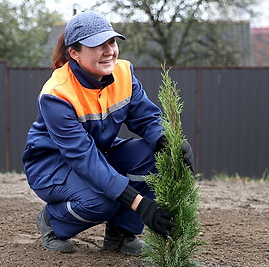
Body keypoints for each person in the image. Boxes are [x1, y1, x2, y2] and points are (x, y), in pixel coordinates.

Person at [22, 10, 195, 256]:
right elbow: (83, 158)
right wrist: (140, 204)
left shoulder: (123, 73)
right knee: (102, 201)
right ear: (74, 53)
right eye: (97, 45)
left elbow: (147, 118)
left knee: (152, 153)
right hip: (52, 165)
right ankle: (53, 220)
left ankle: (121, 235)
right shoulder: (56, 94)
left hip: (99, 153)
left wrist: (167, 140)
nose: (109, 51)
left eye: (111, 42)